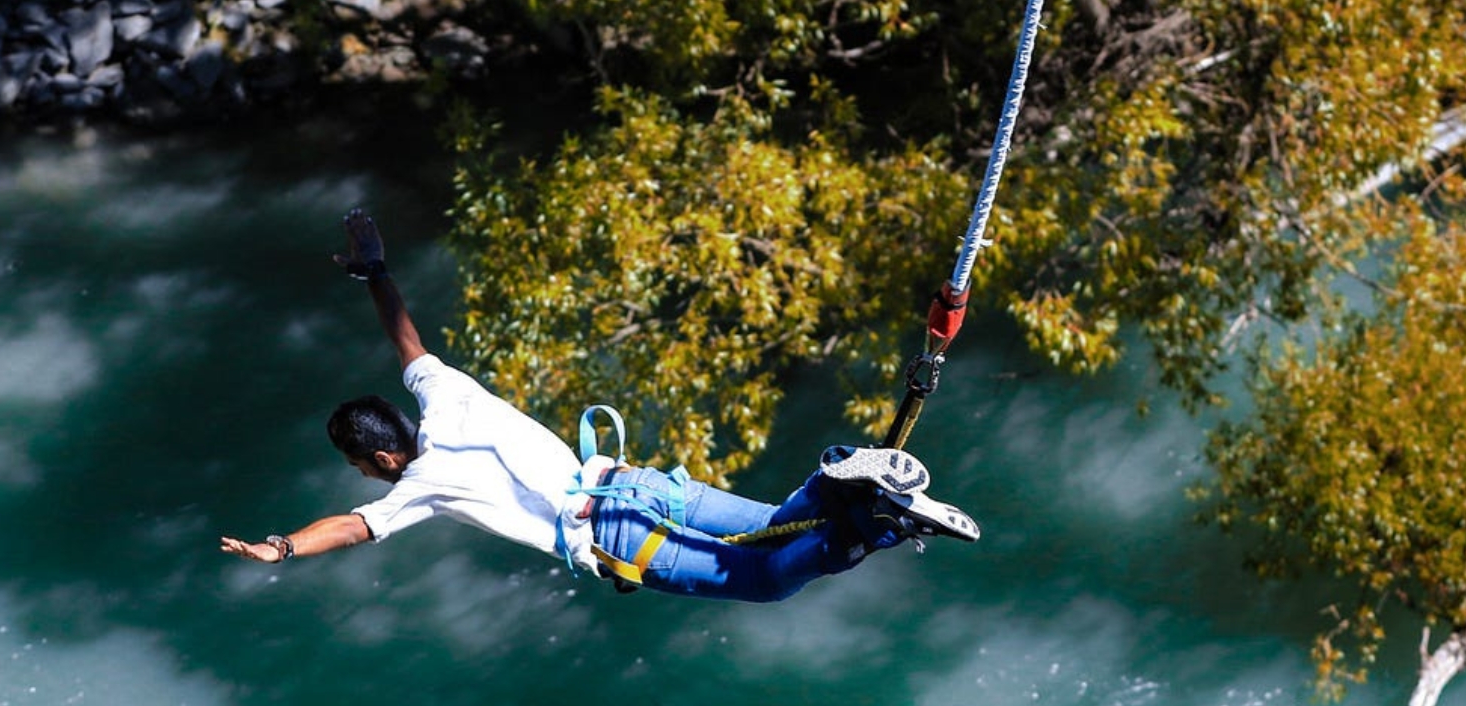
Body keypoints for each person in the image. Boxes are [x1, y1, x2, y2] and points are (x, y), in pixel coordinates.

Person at [219, 209, 978, 602]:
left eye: (359, 465)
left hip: (617, 533)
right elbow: (406, 340)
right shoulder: (443, 392)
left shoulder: (421, 486)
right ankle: (849, 481)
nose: (363, 478)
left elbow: (353, 528)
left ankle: (875, 514)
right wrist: (375, 269)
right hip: (629, 481)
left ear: (384, 457)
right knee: (774, 526)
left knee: (767, 578)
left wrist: (281, 547)